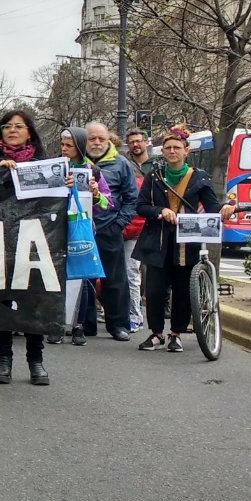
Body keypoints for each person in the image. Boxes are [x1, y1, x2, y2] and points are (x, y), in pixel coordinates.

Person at [133, 126, 236, 353]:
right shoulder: (155, 175)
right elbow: (140, 206)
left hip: (186, 242)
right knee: (155, 290)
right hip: (158, 241)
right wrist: (161, 211)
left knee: (182, 290)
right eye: (168, 148)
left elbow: (212, 207)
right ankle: (156, 333)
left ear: (186, 151)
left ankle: (176, 334)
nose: (172, 151)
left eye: (176, 148)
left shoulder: (199, 177)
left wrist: (224, 209)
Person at [0, 109, 52, 385]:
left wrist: (65, 185)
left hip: (34, 241)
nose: (13, 130)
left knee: (34, 300)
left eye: (19, 126)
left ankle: (36, 361)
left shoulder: (44, 163)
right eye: (7, 126)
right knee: (2, 299)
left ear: (30, 131)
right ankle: (3, 359)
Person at [55, 126, 113, 347]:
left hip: (82, 232)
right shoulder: (56, 167)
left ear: (79, 146)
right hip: (57, 230)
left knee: (84, 279)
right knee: (60, 279)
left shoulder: (94, 171)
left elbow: (108, 204)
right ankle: (59, 324)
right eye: (62, 145)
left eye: (69, 145)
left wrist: (96, 193)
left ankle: (79, 325)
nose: (64, 149)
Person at [86, 122, 139, 340]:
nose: (97, 143)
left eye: (101, 139)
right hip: (81, 229)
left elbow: (132, 198)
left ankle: (118, 325)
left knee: (115, 279)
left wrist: (119, 224)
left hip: (109, 228)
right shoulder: (75, 162)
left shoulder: (121, 164)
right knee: (83, 279)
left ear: (108, 140)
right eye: (92, 139)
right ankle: (85, 324)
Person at [122, 129, 150, 330]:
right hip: (122, 229)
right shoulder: (125, 166)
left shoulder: (154, 167)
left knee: (132, 272)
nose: (135, 145)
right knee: (127, 272)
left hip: (137, 229)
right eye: (131, 142)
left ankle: (135, 315)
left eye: (138, 141)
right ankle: (126, 312)